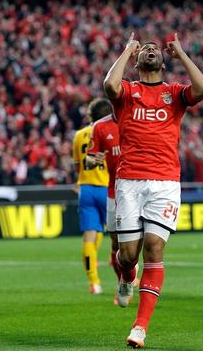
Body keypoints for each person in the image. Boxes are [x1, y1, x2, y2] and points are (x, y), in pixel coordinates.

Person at [103, 32, 203, 348]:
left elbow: (202, 89)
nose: (150, 50)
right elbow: (109, 85)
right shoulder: (128, 91)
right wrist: (127, 49)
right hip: (129, 182)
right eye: (144, 49)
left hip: (164, 182)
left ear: (164, 60)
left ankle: (140, 327)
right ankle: (126, 276)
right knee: (127, 255)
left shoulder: (174, 92)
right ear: (136, 61)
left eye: (154, 49)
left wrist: (182, 55)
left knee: (154, 246)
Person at [86, 98, 137, 305]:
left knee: (140, 243)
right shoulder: (99, 127)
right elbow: (88, 159)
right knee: (116, 244)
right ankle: (123, 282)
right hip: (114, 193)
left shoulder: (137, 120)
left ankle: (134, 280)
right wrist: (93, 160)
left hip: (137, 190)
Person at [72, 99, 111, 295]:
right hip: (106, 188)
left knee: (89, 234)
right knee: (118, 234)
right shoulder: (109, 130)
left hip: (85, 188)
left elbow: (78, 165)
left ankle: (94, 282)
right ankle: (126, 275)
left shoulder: (79, 135)